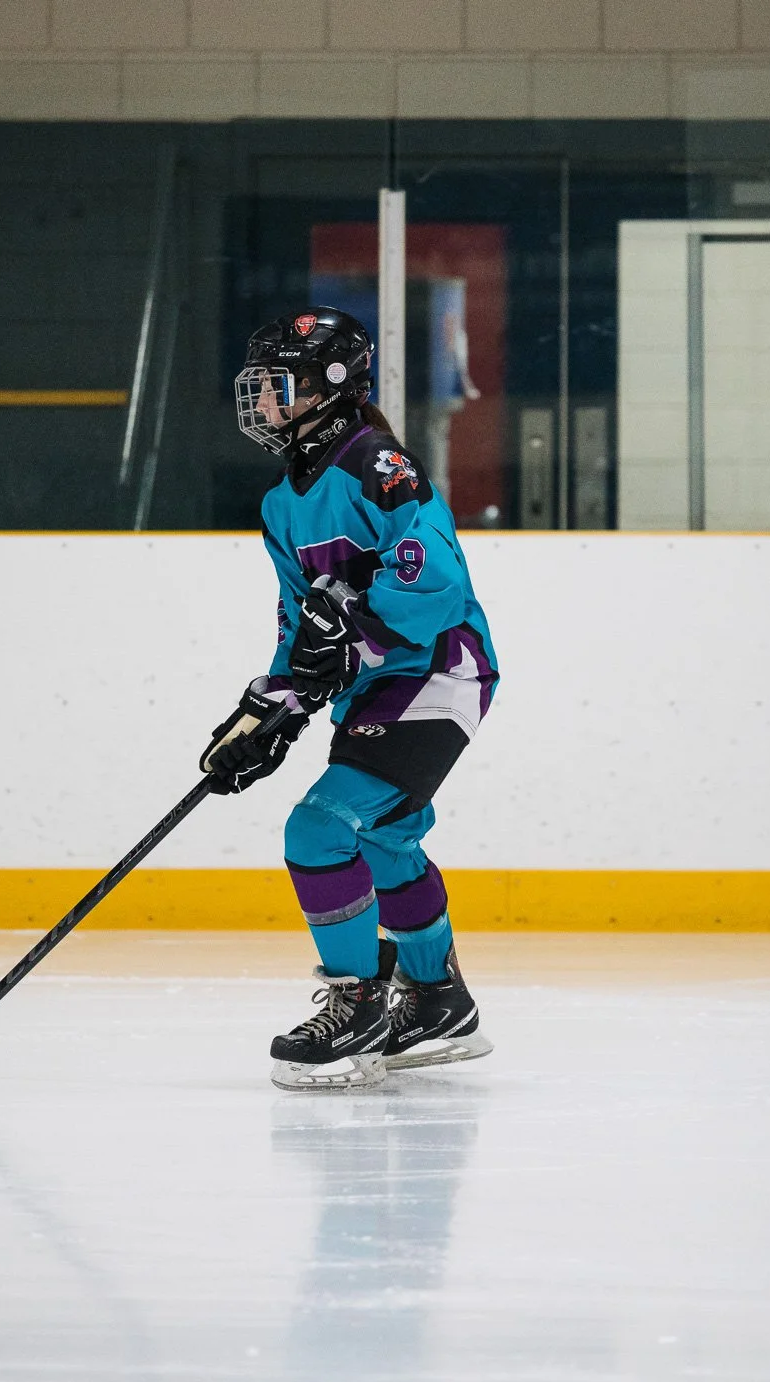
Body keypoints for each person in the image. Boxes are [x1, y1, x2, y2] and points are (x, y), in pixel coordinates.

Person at [200, 307, 499, 1091]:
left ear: (331, 385)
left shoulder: (379, 466)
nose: (263, 402)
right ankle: (438, 1003)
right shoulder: (281, 503)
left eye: (279, 386)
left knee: (320, 828)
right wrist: (268, 712)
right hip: (379, 689)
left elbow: (435, 587)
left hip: (437, 674)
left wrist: (353, 633)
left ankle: (357, 1003)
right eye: (259, 387)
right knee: (385, 841)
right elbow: (301, 626)